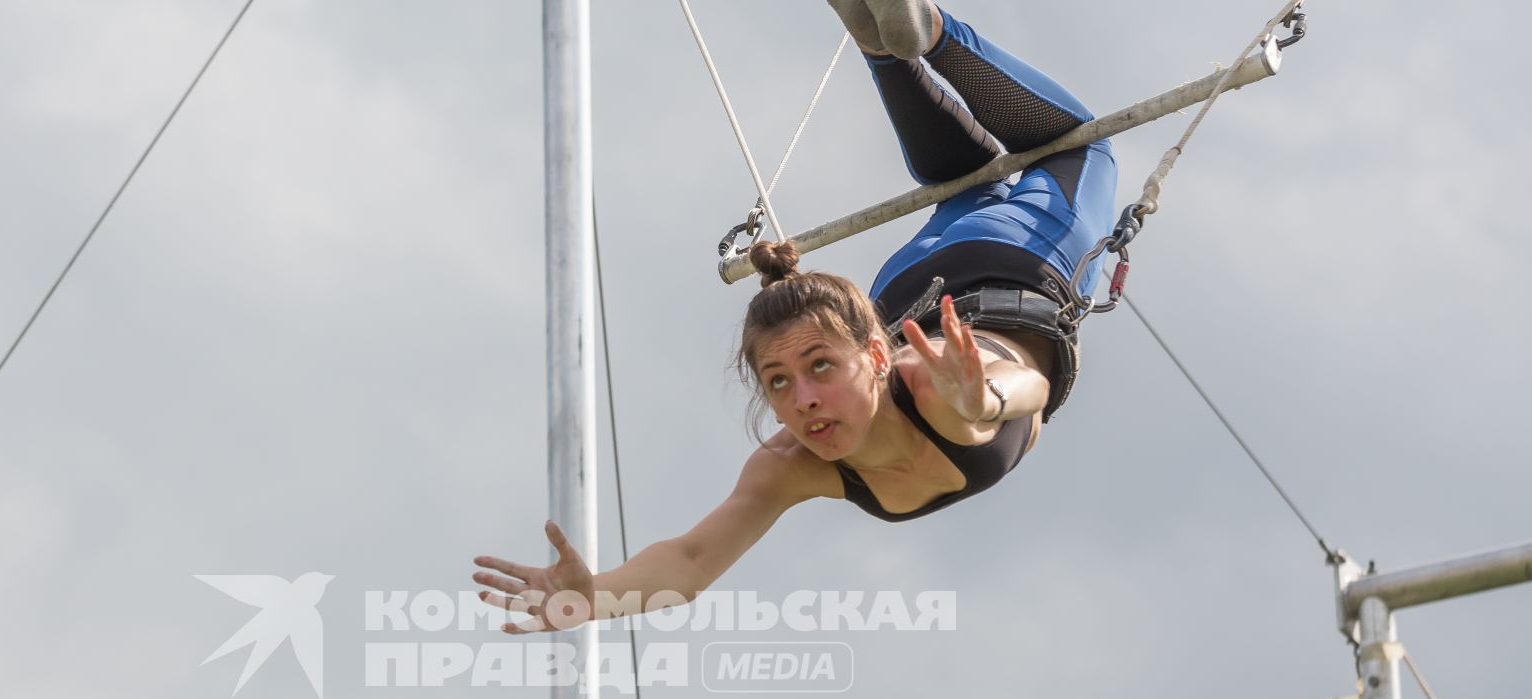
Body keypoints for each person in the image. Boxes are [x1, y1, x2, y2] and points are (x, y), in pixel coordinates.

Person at [473, 2, 1119, 634]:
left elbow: (1026, 386)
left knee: (1085, 148)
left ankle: (930, 33)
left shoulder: (931, 375)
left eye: (818, 368)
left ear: (875, 358)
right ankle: (883, 42)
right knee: (975, 184)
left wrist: (986, 396)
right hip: (920, 274)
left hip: (1015, 254)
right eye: (779, 382)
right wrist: (594, 599)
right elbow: (692, 561)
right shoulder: (792, 461)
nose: (803, 401)